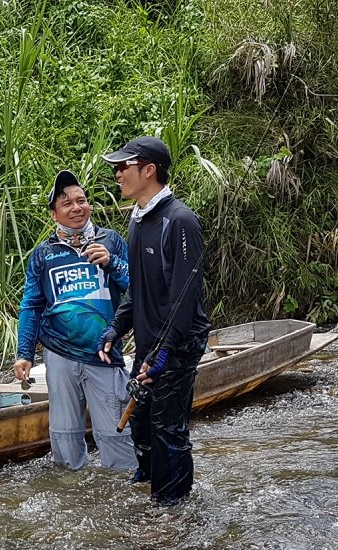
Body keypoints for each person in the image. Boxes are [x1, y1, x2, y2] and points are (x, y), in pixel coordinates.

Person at [97, 137, 211, 505]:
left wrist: (164, 354)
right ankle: (148, 483)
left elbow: (184, 297)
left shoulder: (180, 221)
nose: (117, 174)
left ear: (149, 170)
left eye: (123, 166)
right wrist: (117, 327)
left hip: (177, 346)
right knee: (140, 420)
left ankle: (172, 508)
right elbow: (139, 290)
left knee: (168, 430)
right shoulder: (138, 220)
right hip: (149, 343)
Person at [13, 170, 137, 471]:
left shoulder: (111, 241)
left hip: (104, 352)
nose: (76, 207)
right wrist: (24, 354)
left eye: (81, 200)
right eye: (66, 203)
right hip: (59, 355)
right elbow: (31, 305)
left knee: (114, 433)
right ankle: (69, 494)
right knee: (65, 433)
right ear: (55, 214)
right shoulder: (43, 254)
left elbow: (137, 288)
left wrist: (113, 262)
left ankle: (123, 489)